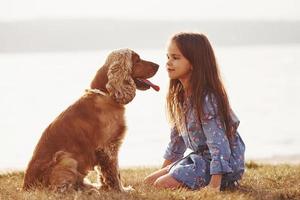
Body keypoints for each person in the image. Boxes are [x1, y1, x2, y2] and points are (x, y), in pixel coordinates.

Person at [144, 32, 245, 191]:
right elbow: (176, 142)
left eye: (176, 58)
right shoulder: (181, 98)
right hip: (201, 158)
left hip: (223, 165)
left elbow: (218, 144)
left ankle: (224, 182)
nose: (168, 63)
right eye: (168, 57)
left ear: (194, 63)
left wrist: (214, 184)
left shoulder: (207, 99)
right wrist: (162, 172)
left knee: (161, 184)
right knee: (149, 182)